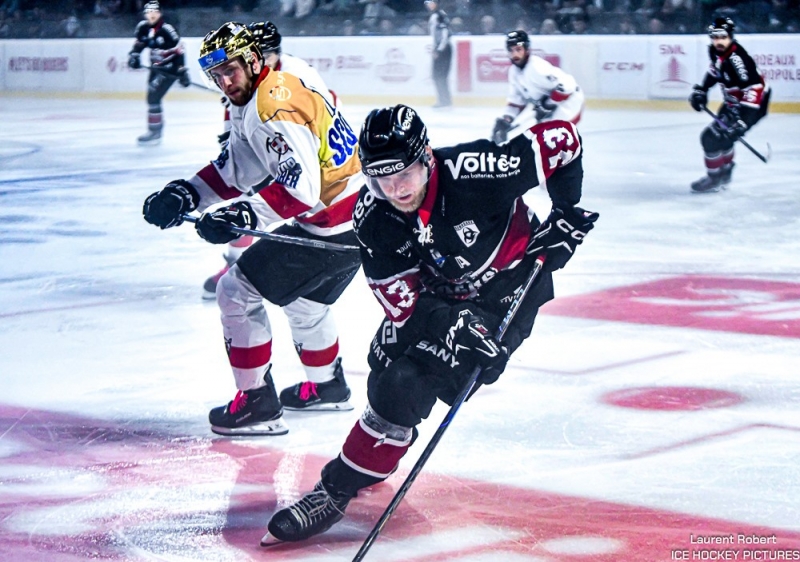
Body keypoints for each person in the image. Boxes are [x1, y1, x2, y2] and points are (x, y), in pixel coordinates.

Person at [261, 104, 598, 544]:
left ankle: (335, 489)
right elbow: (400, 299)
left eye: (404, 173)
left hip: (507, 290)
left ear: (426, 159)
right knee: (381, 366)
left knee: (405, 385)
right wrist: (449, 323)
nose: (395, 188)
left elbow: (562, 140)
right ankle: (380, 448)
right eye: (381, 177)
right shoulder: (375, 214)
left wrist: (564, 212)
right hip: (440, 292)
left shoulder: (476, 171)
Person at [142, 22, 364, 436]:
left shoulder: (271, 107)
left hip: (334, 227)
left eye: (232, 70)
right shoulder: (266, 91)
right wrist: (186, 194)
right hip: (354, 220)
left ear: (252, 60)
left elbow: (301, 190)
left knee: (234, 291)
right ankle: (328, 386)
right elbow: (238, 169)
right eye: (217, 75)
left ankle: (258, 404)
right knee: (305, 303)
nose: (225, 82)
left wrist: (241, 216)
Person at [203, 20, 340, 300]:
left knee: (268, 200)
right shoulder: (253, 79)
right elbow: (236, 112)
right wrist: (230, 138)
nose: (259, 62)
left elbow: (324, 111)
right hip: (275, 145)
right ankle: (236, 261)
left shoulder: (296, 75)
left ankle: (245, 265)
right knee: (246, 192)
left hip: (306, 153)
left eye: (264, 55)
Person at [688, 16, 771, 193]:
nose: (718, 41)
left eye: (723, 37)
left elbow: (754, 88)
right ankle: (725, 173)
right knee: (723, 138)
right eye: (715, 37)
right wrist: (702, 90)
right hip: (735, 102)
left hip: (752, 106)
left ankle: (715, 178)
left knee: (710, 139)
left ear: (731, 36)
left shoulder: (737, 61)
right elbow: (714, 71)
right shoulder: (717, 52)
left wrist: (743, 121)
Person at [492, 30, 585, 144]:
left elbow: (568, 85)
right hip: (552, 107)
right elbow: (517, 100)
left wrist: (548, 104)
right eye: (511, 50)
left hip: (569, 102)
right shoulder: (514, 72)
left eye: (518, 49)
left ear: (527, 50)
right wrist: (507, 120)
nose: (514, 54)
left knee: (550, 141)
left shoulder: (537, 67)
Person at [127, 1, 191, 145]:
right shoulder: (143, 28)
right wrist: (134, 56)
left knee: (153, 98)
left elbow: (179, 52)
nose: (152, 15)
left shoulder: (167, 30)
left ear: (160, 13)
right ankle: (155, 130)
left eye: (155, 12)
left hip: (169, 69)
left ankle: (155, 131)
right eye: (149, 12)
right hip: (156, 69)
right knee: (152, 99)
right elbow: (139, 45)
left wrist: (182, 71)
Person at [425, 0, 452, 108]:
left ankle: (444, 100)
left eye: (431, 3)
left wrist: (439, 50)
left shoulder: (439, 15)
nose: (428, 5)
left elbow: (445, 34)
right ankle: (443, 100)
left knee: (440, 76)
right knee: (437, 76)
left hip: (443, 49)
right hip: (440, 48)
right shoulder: (437, 15)